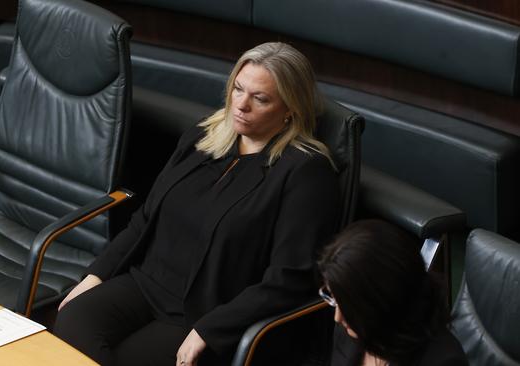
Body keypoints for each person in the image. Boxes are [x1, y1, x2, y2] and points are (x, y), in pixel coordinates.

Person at [53, 42, 340, 366]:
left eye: (260, 98)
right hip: (143, 283)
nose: (241, 105)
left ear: (290, 108)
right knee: (70, 321)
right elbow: (146, 218)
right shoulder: (204, 136)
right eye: (238, 89)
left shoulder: (305, 172)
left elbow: (290, 280)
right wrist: (96, 276)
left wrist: (210, 329)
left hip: (203, 310)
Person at [317, 220, 468, 366]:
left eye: (347, 303)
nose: (338, 318)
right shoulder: (352, 326)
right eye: (335, 299)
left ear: (384, 300)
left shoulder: (443, 361)